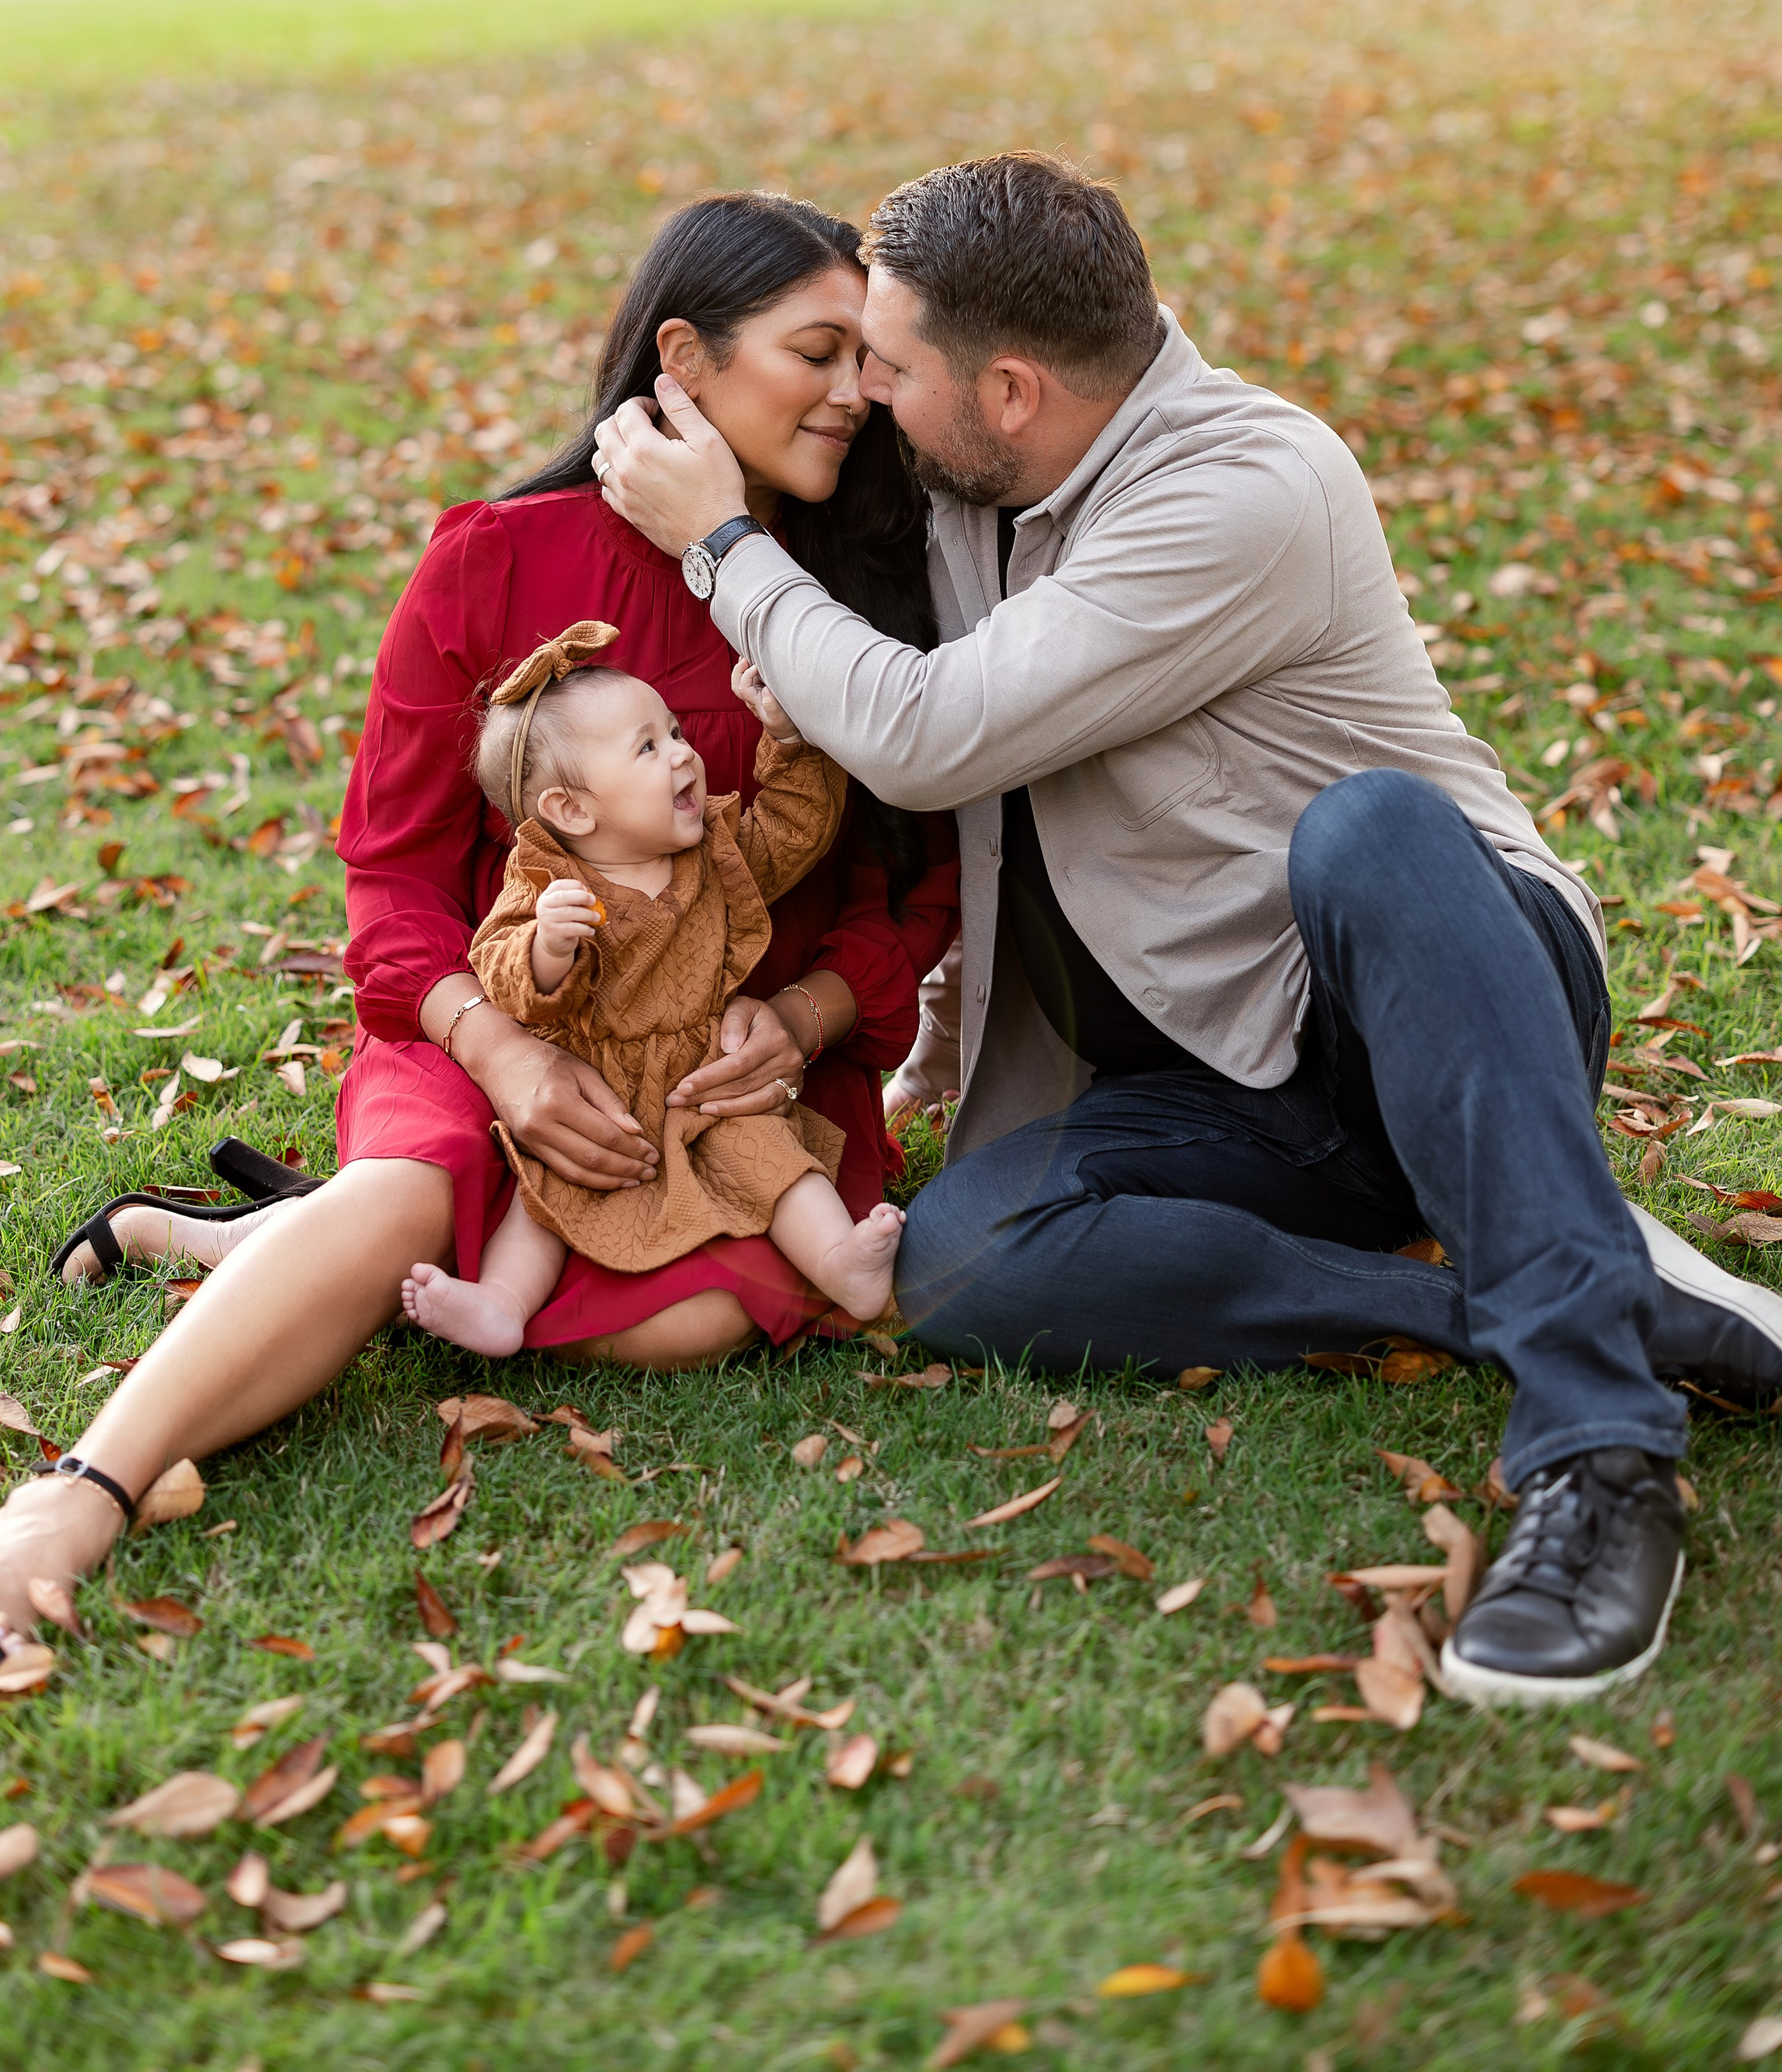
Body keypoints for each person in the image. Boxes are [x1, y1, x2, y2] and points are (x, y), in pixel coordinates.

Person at [593, 149, 1782, 1710]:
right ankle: (1539, 1282)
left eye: (886, 363)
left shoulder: (1242, 488)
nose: (866, 392)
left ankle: (1597, 1453)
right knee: (959, 1264)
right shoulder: (984, 477)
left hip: (1443, 979)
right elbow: (981, 817)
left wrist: (721, 546)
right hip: (1229, 1079)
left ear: (1009, 389)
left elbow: (936, 736)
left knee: (1369, 828)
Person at [0, 193, 955, 1667]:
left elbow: (923, 887)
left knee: (680, 1326)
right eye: (816, 353)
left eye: (868, 363)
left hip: (731, 1085)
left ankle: (265, 1249)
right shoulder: (500, 563)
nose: (856, 395)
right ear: (685, 364)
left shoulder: (876, 583)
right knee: (411, 1194)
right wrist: (503, 1058)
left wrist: (813, 1018)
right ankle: (61, 1510)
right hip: (505, 1020)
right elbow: (391, 882)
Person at [400, 624, 906, 1356]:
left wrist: (790, 745)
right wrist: (549, 946)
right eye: (649, 747)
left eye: (674, 731)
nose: (683, 754)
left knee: (776, 1161)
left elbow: (795, 833)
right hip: (597, 1095)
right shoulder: (547, 880)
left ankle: (842, 1265)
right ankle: (501, 1306)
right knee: (547, 1196)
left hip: (704, 1080)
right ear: (572, 810)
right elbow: (501, 970)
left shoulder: (716, 854)